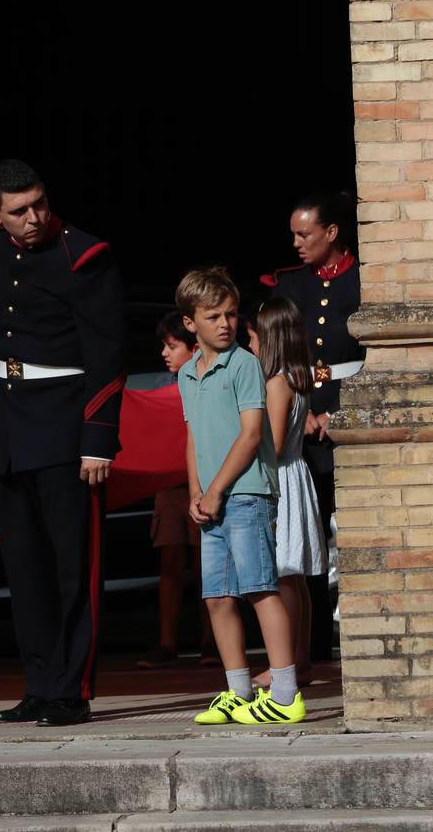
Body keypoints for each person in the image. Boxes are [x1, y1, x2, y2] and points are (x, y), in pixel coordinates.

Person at [0, 159, 126, 727]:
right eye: (19, 210)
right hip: (9, 422)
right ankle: (41, 683)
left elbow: (107, 354)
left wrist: (98, 438)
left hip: (65, 425)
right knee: (25, 567)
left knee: (72, 565)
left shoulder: (84, 257)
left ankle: (71, 690)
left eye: (40, 204)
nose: (34, 218)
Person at [176, 268, 304, 726]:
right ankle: (238, 690)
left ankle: (286, 694)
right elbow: (193, 438)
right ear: (190, 323)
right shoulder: (188, 373)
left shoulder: (246, 364)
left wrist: (215, 490)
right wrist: (195, 491)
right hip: (210, 499)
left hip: (245, 494)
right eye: (213, 316)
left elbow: (252, 435)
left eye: (231, 314)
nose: (226, 324)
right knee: (217, 597)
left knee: (259, 589)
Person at [261, 190, 360, 662]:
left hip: (351, 418)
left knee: (355, 534)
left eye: (305, 234)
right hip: (303, 422)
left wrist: (340, 413)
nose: (297, 243)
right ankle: (312, 647)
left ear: (332, 232)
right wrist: (306, 412)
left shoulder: (363, 280)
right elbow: (281, 356)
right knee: (306, 544)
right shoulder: (292, 286)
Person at [249, 297, 326, 687]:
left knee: (284, 574)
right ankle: (302, 660)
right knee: (294, 578)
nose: (251, 344)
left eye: (256, 335)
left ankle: (291, 665)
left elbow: (274, 445)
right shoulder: (295, 377)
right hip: (295, 476)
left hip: (281, 479)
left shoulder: (278, 382)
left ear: (271, 337)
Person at [137, 312, 216, 670]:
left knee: (207, 564)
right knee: (170, 561)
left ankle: (210, 641)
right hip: (169, 487)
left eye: (172, 347)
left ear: (193, 347)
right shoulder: (159, 386)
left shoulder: (208, 379)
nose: (165, 354)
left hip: (204, 482)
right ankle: (167, 642)